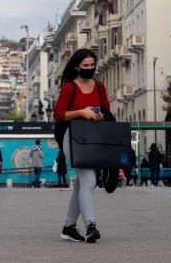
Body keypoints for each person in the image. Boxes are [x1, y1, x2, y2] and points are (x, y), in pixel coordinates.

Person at [53, 48, 109, 243]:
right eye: (86, 65)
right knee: (88, 180)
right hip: (72, 138)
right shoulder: (70, 87)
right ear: (77, 67)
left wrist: (100, 115)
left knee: (80, 186)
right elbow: (59, 115)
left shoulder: (99, 86)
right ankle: (90, 226)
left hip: (92, 138)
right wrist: (81, 112)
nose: (90, 68)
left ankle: (68, 227)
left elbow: (106, 111)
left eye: (92, 65)